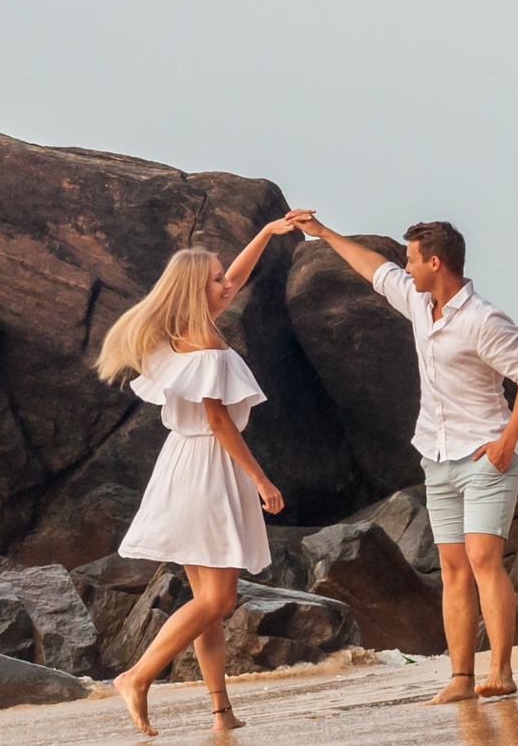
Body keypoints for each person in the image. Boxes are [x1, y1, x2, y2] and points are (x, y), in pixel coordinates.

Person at [292, 212, 518, 705]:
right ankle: (460, 678)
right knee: (453, 568)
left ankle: (501, 670)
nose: (404, 267)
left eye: (411, 259)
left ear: (436, 262)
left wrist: (506, 441)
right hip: (436, 454)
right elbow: (373, 269)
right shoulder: (417, 299)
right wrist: (323, 233)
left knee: (482, 561)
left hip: (484, 457)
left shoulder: (483, 320)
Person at [96, 216, 300, 735]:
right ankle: (137, 677)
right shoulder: (205, 347)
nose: (226, 283)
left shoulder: (186, 336)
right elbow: (219, 423)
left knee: (206, 603)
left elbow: (238, 273)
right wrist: (261, 480)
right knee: (220, 600)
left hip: (182, 466)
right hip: (211, 467)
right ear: (195, 290)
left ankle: (221, 712)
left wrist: (269, 232)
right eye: (215, 279)